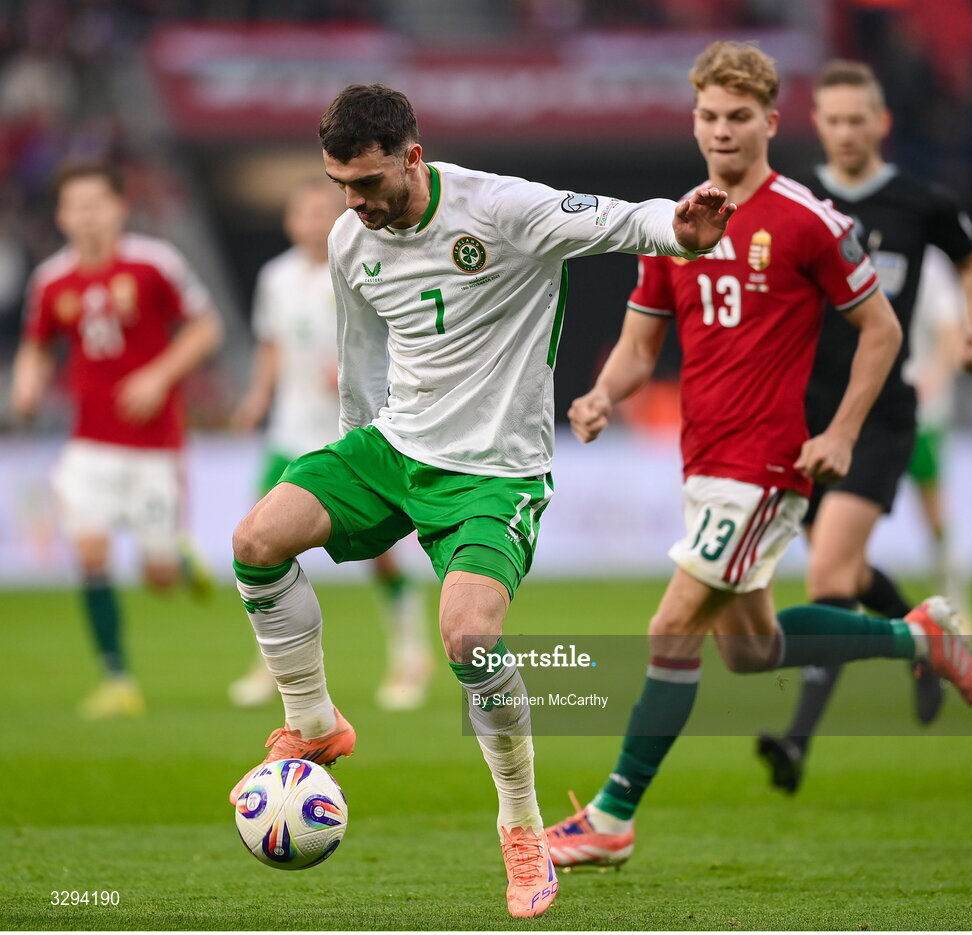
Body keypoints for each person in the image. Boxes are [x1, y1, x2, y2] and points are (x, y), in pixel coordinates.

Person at [225, 83, 735, 919]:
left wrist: (679, 232)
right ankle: (313, 720)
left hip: (495, 472)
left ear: (412, 158)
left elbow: (615, 220)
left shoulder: (499, 209)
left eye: (367, 183)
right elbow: (362, 360)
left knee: (469, 636)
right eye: (339, 184)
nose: (353, 203)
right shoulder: (351, 239)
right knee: (256, 539)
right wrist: (344, 467)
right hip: (393, 447)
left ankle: (522, 825)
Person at [543, 41, 972, 870]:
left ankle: (612, 815)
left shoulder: (811, 221)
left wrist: (841, 431)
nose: (722, 131)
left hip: (768, 464)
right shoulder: (672, 225)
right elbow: (639, 347)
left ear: (771, 122)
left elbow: (882, 330)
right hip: (704, 462)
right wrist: (603, 394)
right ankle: (917, 635)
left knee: (672, 626)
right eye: (709, 116)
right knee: (752, 650)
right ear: (694, 121)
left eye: (738, 117)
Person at [756, 61, 972, 794]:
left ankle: (795, 739)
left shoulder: (922, 202)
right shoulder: (794, 197)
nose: (845, 132)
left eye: (857, 119)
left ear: (881, 122)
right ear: (818, 124)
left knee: (829, 575)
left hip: (880, 413)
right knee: (851, 573)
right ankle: (923, 640)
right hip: (802, 413)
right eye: (832, 120)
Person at [11, 160, 223, 719]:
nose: (86, 216)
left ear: (119, 208)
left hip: (154, 446)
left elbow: (206, 327)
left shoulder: (155, 263)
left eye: (96, 204)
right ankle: (117, 678)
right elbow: (37, 344)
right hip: (88, 444)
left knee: (158, 578)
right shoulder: (51, 279)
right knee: (91, 553)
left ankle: (177, 560)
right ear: (61, 216)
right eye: (75, 207)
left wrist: (158, 376)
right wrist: (27, 383)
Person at [227, 179, 432, 712]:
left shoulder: (362, 263)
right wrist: (258, 396)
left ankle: (410, 654)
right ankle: (271, 664)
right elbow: (271, 344)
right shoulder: (276, 278)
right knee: (258, 543)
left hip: (348, 431)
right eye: (304, 213)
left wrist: (355, 374)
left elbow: (394, 335)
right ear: (290, 221)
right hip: (288, 432)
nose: (313, 222)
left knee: (380, 555)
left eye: (323, 212)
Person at [905, 246, 972, 630]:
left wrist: (933, 381)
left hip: (920, 412)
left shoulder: (928, 263)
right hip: (870, 406)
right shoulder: (854, 241)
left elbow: (951, 330)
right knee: (852, 510)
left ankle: (956, 604)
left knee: (932, 508)